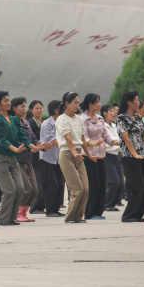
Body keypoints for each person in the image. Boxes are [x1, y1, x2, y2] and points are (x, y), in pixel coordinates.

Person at [0, 91, 46, 226]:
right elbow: (0, 139)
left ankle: (11, 217)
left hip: (13, 159)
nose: (8, 102)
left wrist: (35, 147)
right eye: (5, 101)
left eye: (8, 100)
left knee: (20, 189)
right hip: (0, 159)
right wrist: (15, 149)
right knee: (9, 190)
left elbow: (23, 137)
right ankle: (3, 218)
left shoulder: (14, 120)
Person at [116, 90, 144, 223]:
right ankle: (128, 215)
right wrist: (134, 154)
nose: (138, 102)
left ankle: (138, 214)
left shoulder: (138, 117)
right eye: (136, 100)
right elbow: (126, 138)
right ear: (129, 103)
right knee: (138, 186)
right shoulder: (121, 118)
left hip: (142, 155)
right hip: (129, 157)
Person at [9, 97, 52, 222]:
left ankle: (24, 213)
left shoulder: (26, 123)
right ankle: (17, 213)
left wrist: (41, 146)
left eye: (24, 106)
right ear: (14, 108)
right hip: (17, 159)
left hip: (28, 159)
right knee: (26, 188)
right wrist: (33, 147)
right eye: (21, 106)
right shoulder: (12, 122)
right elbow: (16, 141)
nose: (24, 108)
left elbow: (33, 139)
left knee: (34, 189)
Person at [56, 92, 96, 224]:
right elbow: (67, 138)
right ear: (66, 104)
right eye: (74, 102)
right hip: (67, 154)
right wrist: (74, 153)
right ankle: (69, 217)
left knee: (85, 189)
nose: (77, 105)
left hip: (79, 154)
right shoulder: (62, 119)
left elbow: (83, 138)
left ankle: (78, 217)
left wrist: (89, 155)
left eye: (78, 102)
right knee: (77, 188)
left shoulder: (78, 119)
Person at [80, 94, 118, 220]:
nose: (100, 104)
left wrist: (115, 142)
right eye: (97, 102)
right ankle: (89, 212)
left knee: (102, 184)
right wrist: (93, 143)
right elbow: (84, 138)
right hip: (89, 156)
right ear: (91, 105)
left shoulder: (100, 118)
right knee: (93, 184)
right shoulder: (83, 119)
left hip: (101, 156)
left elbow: (106, 136)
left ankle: (98, 211)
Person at [39, 100, 65, 217]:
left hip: (59, 158)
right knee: (51, 184)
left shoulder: (61, 122)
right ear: (55, 110)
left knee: (60, 183)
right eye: (61, 108)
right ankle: (49, 210)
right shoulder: (47, 124)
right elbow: (53, 140)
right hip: (48, 158)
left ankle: (56, 208)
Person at [101, 104, 124, 211]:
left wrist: (116, 141)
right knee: (113, 181)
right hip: (107, 155)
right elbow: (108, 141)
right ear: (105, 113)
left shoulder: (114, 126)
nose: (114, 113)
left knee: (120, 182)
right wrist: (117, 141)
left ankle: (112, 204)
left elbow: (119, 138)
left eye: (114, 111)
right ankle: (107, 204)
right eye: (111, 111)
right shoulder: (102, 126)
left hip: (116, 155)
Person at [28, 100, 45, 214]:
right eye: (36, 108)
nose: (39, 110)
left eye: (40, 108)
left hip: (44, 156)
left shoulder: (44, 123)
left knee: (45, 182)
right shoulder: (30, 123)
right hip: (34, 157)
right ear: (31, 110)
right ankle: (34, 207)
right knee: (38, 184)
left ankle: (41, 207)